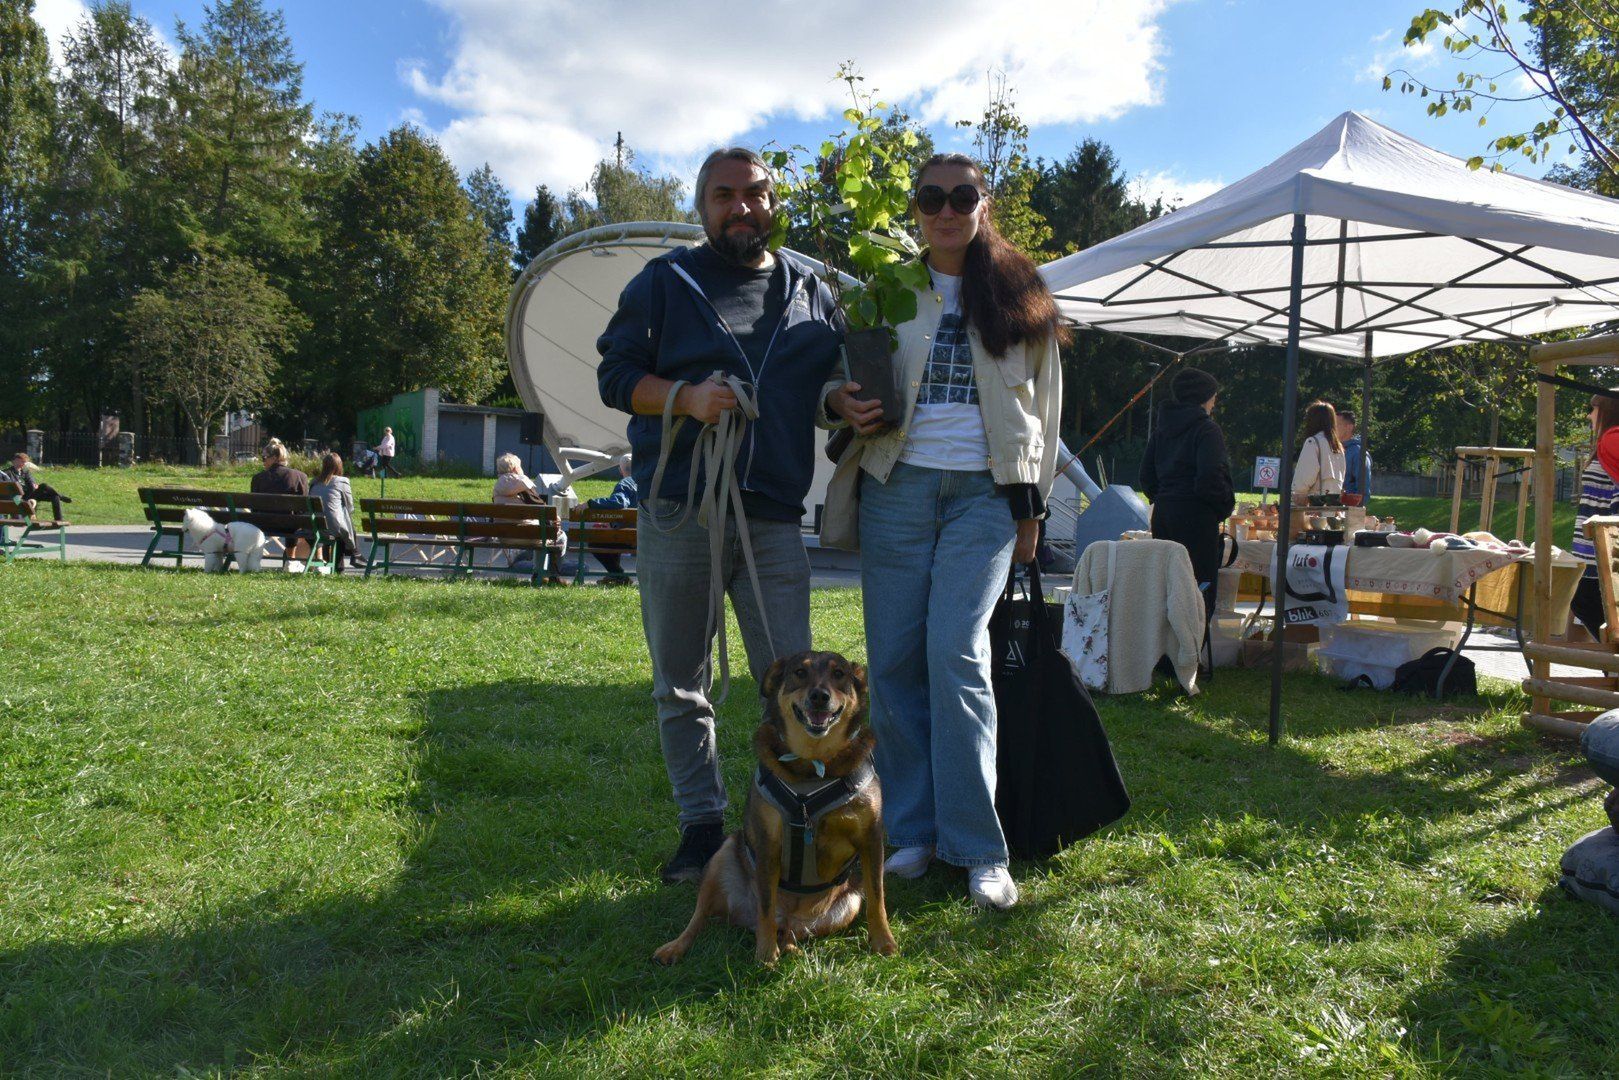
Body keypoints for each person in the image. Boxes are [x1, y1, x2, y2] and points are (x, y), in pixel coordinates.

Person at [596, 146, 842, 884]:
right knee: (680, 681)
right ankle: (701, 829)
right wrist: (684, 398)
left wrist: (842, 405)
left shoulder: (810, 290)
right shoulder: (663, 282)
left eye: (756, 194)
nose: (742, 207)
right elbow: (614, 374)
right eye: (725, 195)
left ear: (773, 202)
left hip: (771, 517)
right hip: (678, 511)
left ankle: (794, 823)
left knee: (798, 685)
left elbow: (826, 388)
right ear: (702, 205)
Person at [824, 152, 1063, 910]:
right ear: (915, 208)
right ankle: (915, 834)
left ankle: (978, 848)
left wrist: (1032, 512)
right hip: (895, 486)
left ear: (983, 204)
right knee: (893, 663)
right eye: (932, 197)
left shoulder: (1022, 295)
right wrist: (840, 402)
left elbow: (1047, 416)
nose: (947, 209)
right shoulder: (886, 290)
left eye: (962, 196)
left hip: (983, 499)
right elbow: (840, 382)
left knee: (955, 653)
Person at [1139, 367, 1236, 620]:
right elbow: (1210, 478)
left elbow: (1146, 477)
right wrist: (1223, 506)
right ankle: (1190, 654)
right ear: (1205, 397)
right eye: (1213, 397)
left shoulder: (1161, 429)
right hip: (1196, 517)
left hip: (1164, 514)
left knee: (1168, 586)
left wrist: (1164, 498)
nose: (1214, 403)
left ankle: (1164, 650)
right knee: (1197, 590)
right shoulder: (1207, 430)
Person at [1571, 391, 1619, 639]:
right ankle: (1612, 670)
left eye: (1594, 408)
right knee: (1584, 601)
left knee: (1584, 600)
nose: (1590, 415)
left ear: (1607, 410)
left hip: (1601, 547)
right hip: (1591, 548)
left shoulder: (1612, 437)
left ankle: (1613, 669)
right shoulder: (1608, 439)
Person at [492, 452, 560, 574]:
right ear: (515, 468)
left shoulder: (497, 487)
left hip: (504, 536)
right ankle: (546, 575)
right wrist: (555, 518)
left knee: (543, 533)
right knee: (559, 537)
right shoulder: (523, 483)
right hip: (529, 536)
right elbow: (541, 508)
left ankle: (540, 574)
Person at [250, 438, 312, 563]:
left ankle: (254, 560)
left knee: (293, 520)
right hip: (289, 526)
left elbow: (253, 507)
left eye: (264, 458)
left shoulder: (258, 478)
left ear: (274, 458)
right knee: (295, 521)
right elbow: (303, 507)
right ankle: (291, 560)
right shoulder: (300, 476)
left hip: (262, 524)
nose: (263, 461)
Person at [582, 455, 638, 581]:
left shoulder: (625, 484)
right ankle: (615, 576)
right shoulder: (648, 482)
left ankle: (618, 574)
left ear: (620, 470)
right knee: (613, 534)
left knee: (594, 541)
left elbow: (619, 502)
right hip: (649, 535)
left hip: (628, 538)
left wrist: (589, 503)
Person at [310, 452, 364, 572]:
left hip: (315, 527)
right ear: (339, 466)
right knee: (341, 521)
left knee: (332, 520)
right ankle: (355, 554)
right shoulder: (342, 482)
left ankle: (345, 560)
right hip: (334, 528)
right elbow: (350, 507)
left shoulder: (314, 483)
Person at [1292, 400, 1345, 496]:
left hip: (1314, 504)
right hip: (1333, 504)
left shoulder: (1313, 442)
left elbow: (1305, 476)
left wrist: (1298, 493)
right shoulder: (1338, 446)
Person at [2, 452, 73, 522]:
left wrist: (33, 484)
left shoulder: (25, 472)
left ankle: (59, 520)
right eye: (21, 461)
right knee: (46, 487)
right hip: (21, 497)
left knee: (53, 495)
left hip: (31, 494)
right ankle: (61, 496)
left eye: (24, 462)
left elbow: (31, 482)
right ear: (14, 461)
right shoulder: (7, 473)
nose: (23, 464)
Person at [1338, 408, 1371, 501]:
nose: (1332, 429)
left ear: (1349, 427)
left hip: (1347, 511)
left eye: (1337, 425)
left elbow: (1363, 492)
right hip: (1330, 509)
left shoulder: (1358, 453)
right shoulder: (1333, 450)